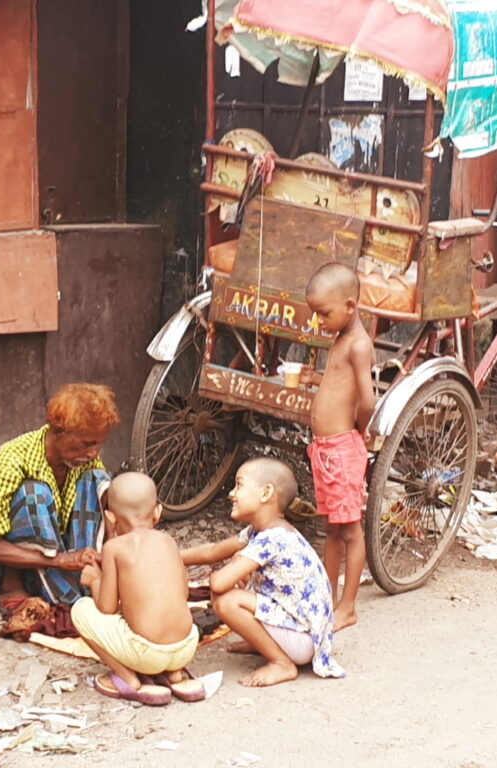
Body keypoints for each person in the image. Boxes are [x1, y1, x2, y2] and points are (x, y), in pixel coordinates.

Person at [182, 458, 344, 687]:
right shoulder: (262, 530)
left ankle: (281, 663)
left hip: (304, 641)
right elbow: (213, 551)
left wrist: (232, 565)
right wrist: (172, 555)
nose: (231, 493)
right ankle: (264, 643)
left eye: (239, 485)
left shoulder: (271, 538)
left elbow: (218, 584)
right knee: (243, 575)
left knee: (226, 600)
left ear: (266, 493)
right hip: (306, 632)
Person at [0, 383, 120, 613]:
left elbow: (105, 506)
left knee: (97, 480)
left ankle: (80, 580)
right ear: (59, 432)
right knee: (33, 493)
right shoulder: (12, 461)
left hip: (53, 553)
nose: (94, 453)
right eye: (88, 443)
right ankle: (13, 587)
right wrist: (58, 561)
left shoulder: (85, 460)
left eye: (98, 444)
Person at [71, 472, 203, 706]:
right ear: (158, 512)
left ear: (110, 518)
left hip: (147, 654)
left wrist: (94, 579)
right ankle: (175, 674)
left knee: (80, 609)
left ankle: (129, 679)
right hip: (187, 645)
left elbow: (107, 607)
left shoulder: (113, 548)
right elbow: (183, 594)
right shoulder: (168, 541)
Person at [303, 262, 376, 632]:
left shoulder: (359, 345)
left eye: (324, 314)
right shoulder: (340, 340)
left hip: (342, 450)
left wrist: (357, 432)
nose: (319, 322)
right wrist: (315, 378)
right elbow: (339, 384)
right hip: (326, 451)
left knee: (351, 530)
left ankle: (347, 606)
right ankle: (328, 598)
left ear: (350, 306)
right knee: (332, 528)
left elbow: (367, 399)